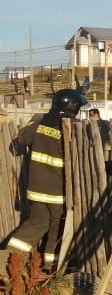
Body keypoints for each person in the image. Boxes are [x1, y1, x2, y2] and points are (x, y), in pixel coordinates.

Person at [1, 89, 88, 276]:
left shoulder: (40, 124)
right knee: (56, 228)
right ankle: (49, 267)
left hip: (36, 188)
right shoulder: (75, 127)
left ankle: (7, 257)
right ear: (72, 108)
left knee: (37, 223)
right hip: (57, 190)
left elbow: (18, 141)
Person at [88, 108, 112, 177]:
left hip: (104, 149)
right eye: (89, 115)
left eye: (91, 115)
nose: (89, 117)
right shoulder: (89, 125)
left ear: (96, 115)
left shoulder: (105, 123)